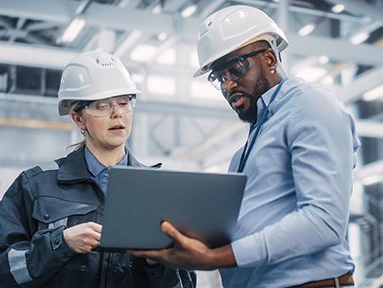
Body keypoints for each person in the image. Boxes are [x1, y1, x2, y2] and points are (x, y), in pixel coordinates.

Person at [131, 5, 360, 288]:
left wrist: (214, 258)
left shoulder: (312, 106)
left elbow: (324, 222)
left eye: (236, 69)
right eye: (219, 77)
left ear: (269, 57)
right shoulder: (244, 153)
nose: (228, 85)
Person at [0, 50, 196, 288]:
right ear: (78, 119)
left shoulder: (160, 190)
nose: (117, 113)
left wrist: (157, 261)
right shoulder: (35, 185)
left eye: (124, 103)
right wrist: (60, 244)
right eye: (102, 105)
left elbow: (185, 285)